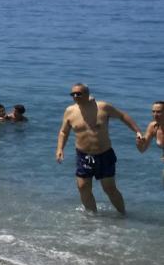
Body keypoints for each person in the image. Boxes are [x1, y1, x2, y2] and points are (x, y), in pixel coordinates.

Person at [56, 83, 142, 215]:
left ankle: (123, 214)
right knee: (83, 187)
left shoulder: (102, 107)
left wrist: (137, 131)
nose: (75, 96)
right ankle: (92, 218)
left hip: (104, 154)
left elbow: (122, 116)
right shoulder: (70, 111)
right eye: (72, 94)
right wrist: (60, 149)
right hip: (83, 155)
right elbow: (63, 132)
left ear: (87, 94)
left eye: (78, 94)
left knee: (109, 188)